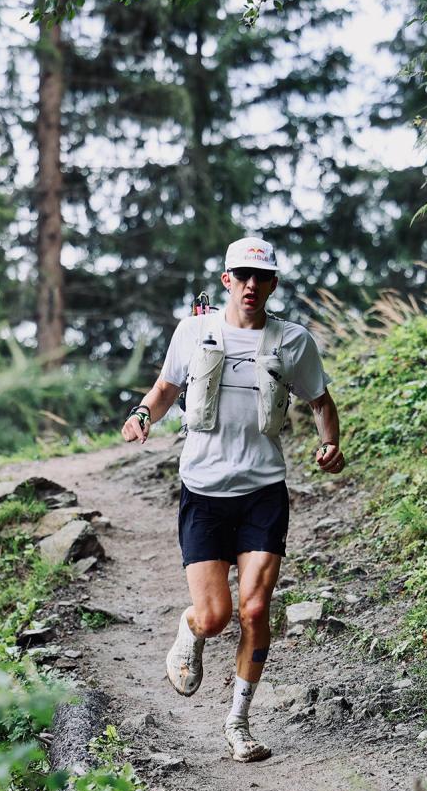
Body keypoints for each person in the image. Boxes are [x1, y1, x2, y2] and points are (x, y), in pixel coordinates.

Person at [120, 235, 346, 762]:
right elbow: (165, 389)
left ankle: (239, 720)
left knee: (256, 607)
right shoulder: (195, 332)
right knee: (217, 615)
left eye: (260, 277)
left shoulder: (292, 341)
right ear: (227, 280)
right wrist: (140, 416)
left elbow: (320, 401)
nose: (250, 285)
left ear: (272, 284)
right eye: (241, 276)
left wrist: (331, 443)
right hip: (203, 491)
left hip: (263, 490)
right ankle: (192, 626)